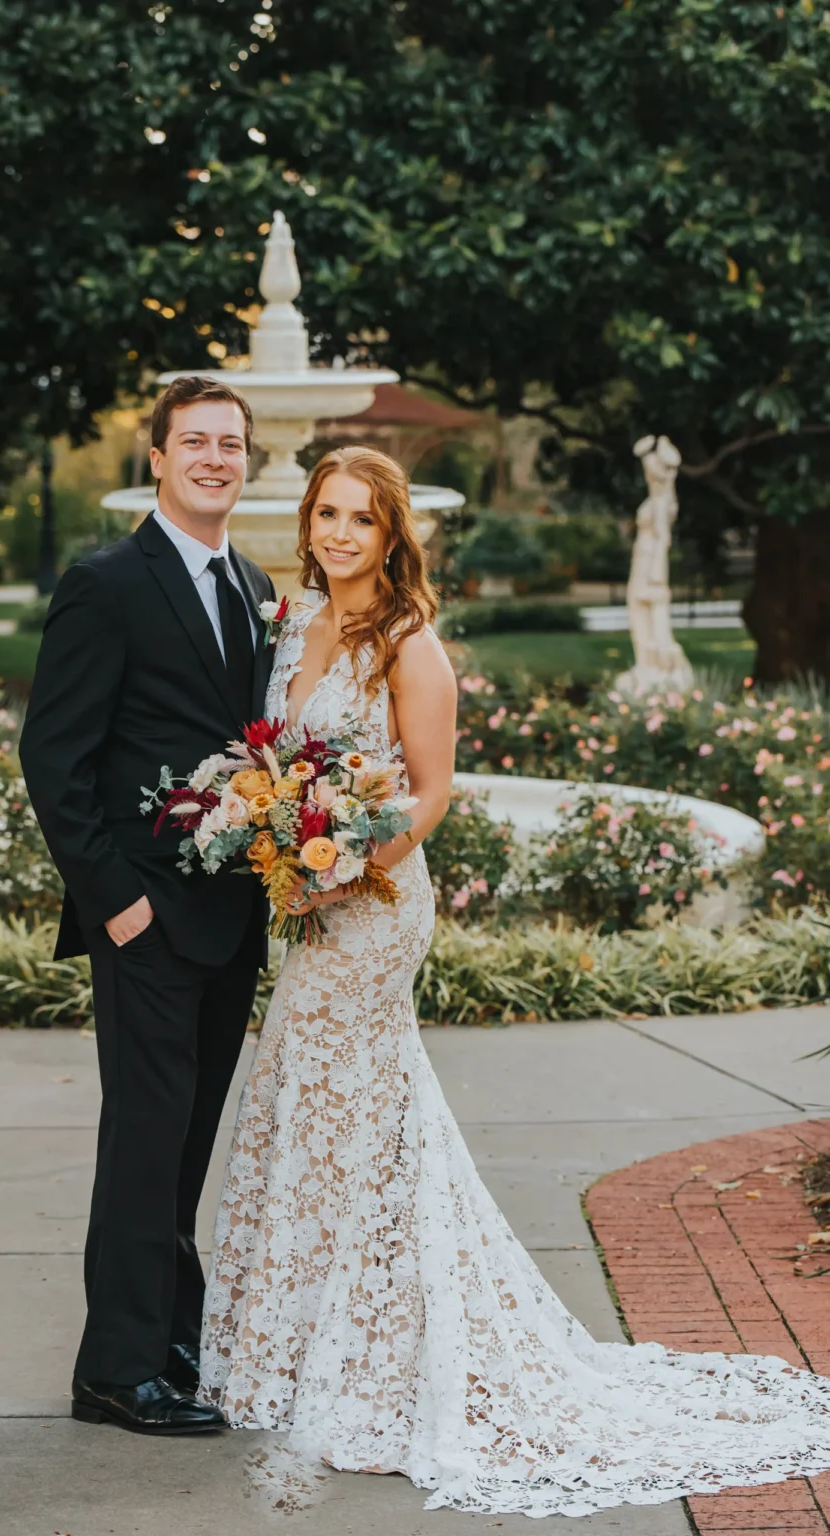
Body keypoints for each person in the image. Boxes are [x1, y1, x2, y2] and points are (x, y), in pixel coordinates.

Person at [200, 445, 830, 1517]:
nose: (341, 534)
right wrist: (273, 833)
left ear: (394, 536)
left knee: (355, 1115)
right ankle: (305, 1342)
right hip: (307, 907)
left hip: (374, 909)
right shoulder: (293, 629)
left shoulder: (410, 645)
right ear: (305, 524)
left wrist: (340, 867)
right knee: (310, 1107)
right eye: (326, 515)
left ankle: (383, 1362)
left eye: (362, 519)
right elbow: (277, 765)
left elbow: (430, 794)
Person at [20, 376, 275, 1436]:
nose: (215, 458)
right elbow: (54, 755)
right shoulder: (107, 582)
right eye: (196, 442)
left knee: (185, 1140)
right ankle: (114, 1373)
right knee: (143, 1138)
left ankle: (172, 1335)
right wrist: (116, 903)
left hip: (230, 917)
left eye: (231, 444)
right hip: (145, 919)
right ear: (157, 457)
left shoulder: (253, 583)